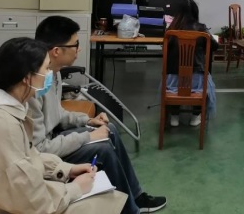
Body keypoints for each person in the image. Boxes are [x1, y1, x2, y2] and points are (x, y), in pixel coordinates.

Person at [30, 16, 166, 214]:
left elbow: (57, 114)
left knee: (109, 129)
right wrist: (88, 136)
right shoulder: (34, 86)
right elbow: (40, 149)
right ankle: (131, 210)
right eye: (75, 44)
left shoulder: (53, 72)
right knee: (103, 150)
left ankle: (136, 196)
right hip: (46, 151)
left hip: (53, 139)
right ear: (57, 51)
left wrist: (88, 120)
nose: (79, 49)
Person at [0, 37, 127, 213]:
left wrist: (66, 169)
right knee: (106, 201)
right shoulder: (4, 125)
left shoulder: (15, 107)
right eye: (46, 68)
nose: (49, 73)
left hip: (35, 197)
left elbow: (30, 156)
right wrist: (75, 188)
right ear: (27, 78)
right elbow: (32, 202)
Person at [166, 0, 218, 127]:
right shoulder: (201, 29)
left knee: (172, 79)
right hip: (196, 80)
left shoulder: (170, 30)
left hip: (173, 80)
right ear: (195, 12)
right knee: (205, 80)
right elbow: (214, 46)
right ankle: (195, 116)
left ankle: (174, 116)